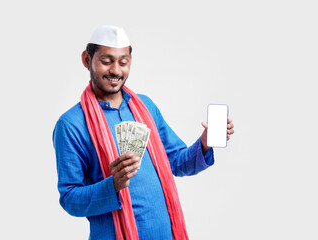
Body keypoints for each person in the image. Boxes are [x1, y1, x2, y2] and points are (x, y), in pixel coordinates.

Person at [53, 25, 234, 240]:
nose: (116, 71)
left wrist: (204, 144)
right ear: (86, 60)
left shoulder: (145, 106)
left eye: (123, 62)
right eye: (106, 61)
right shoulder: (71, 124)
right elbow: (70, 198)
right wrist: (113, 185)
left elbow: (176, 162)